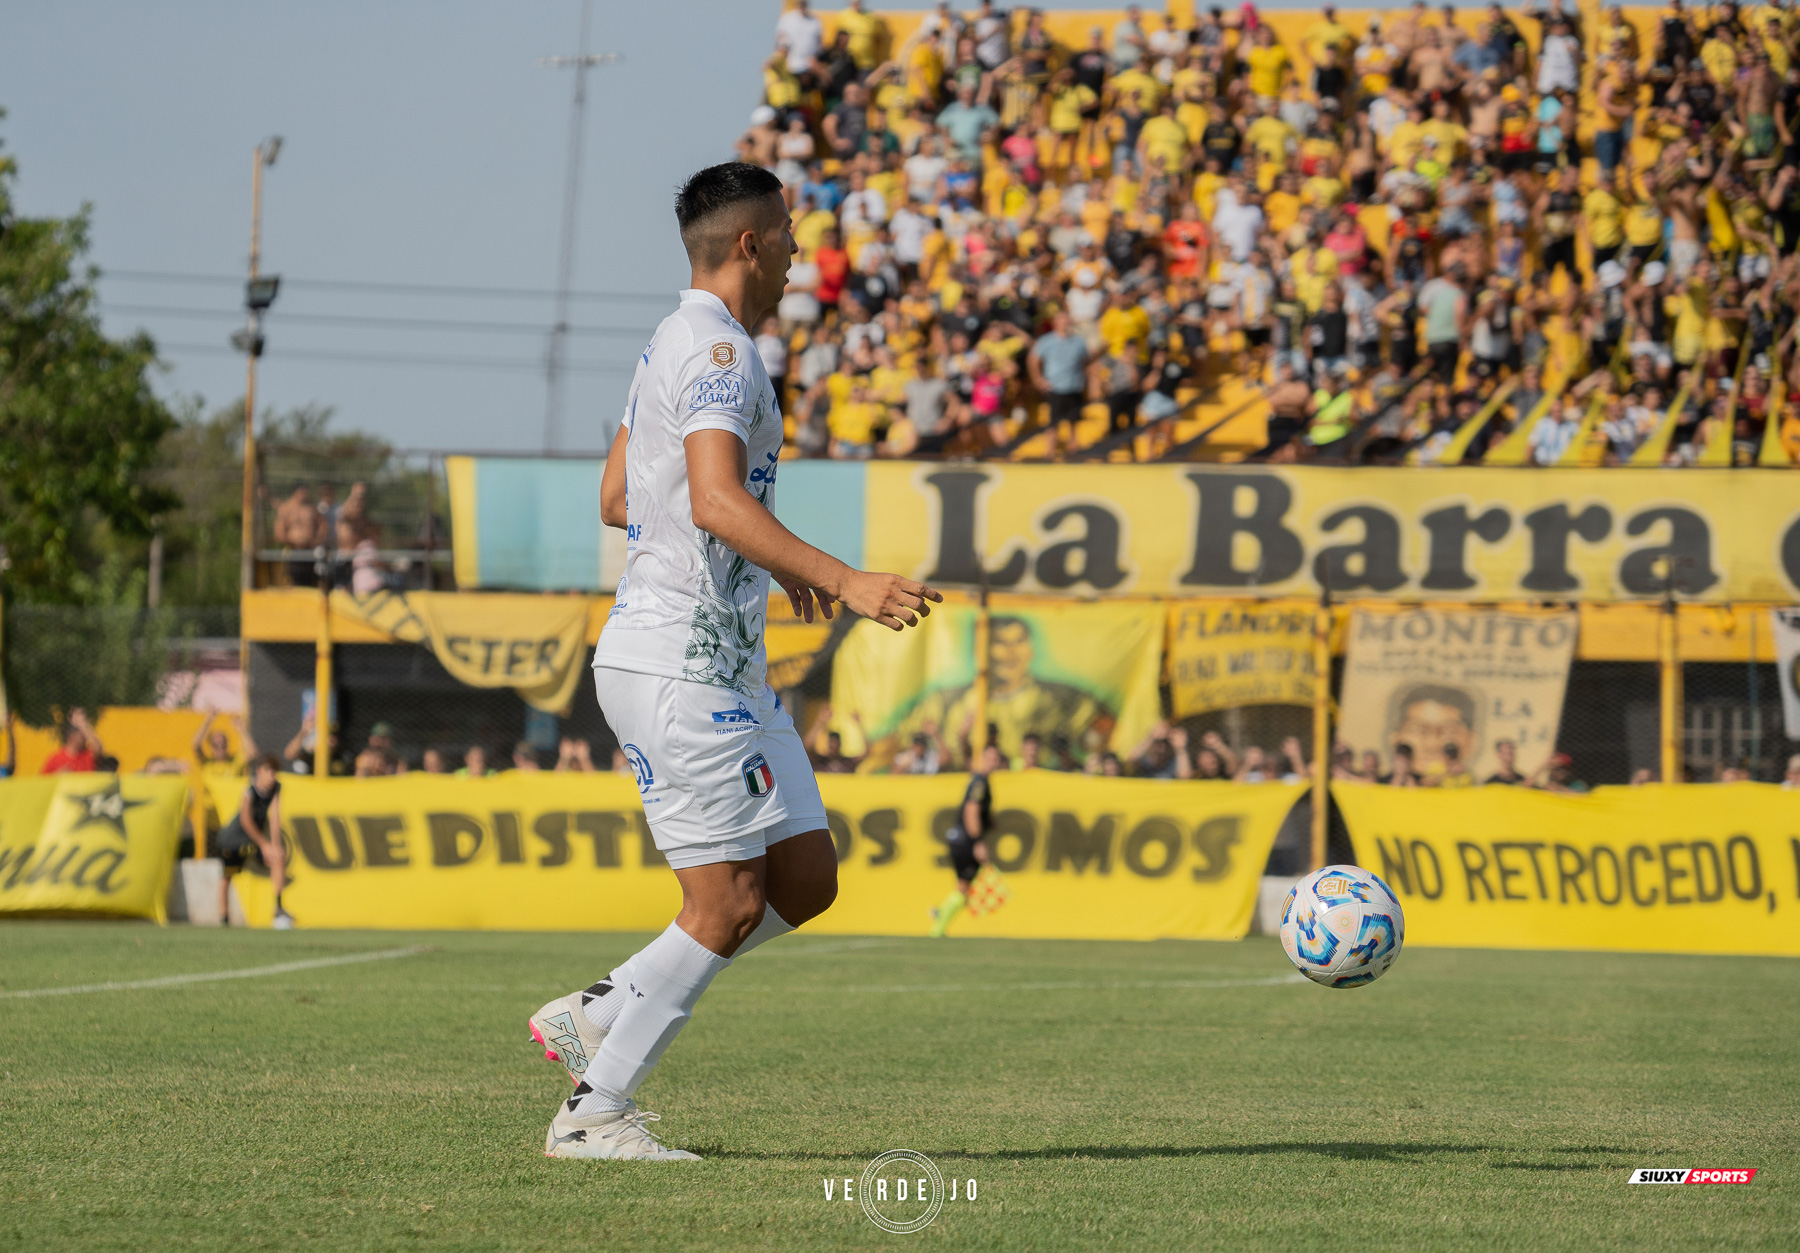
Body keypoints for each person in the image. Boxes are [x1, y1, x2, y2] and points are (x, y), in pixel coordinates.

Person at [529, 162, 941, 1162]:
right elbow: (711, 498)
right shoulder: (721, 350)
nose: (802, 248)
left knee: (806, 875)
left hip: (719, 664)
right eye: (790, 229)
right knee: (727, 903)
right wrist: (838, 576)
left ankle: (604, 1007)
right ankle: (595, 1111)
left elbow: (624, 494)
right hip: (680, 663)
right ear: (749, 243)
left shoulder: (670, 340)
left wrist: (764, 553)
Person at [928, 742, 1004, 938]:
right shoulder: (980, 782)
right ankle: (938, 925)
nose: (994, 762)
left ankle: (940, 916)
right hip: (965, 840)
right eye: (990, 758)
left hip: (960, 839)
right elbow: (971, 810)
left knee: (963, 887)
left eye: (996, 758)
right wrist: (978, 841)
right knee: (963, 887)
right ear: (982, 759)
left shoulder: (981, 781)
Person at [216, 753, 293, 930]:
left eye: (275, 772)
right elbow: (246, 820)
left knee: (278, 857)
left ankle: (279, 908)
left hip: (253, 841)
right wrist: (265, 845)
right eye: (268, 771)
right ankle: (224, 918)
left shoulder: (276, 789)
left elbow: (275, 817)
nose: (272, 776)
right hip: (232, 841)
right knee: (228, 877)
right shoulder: (250, 791)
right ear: (259, 772)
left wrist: (274, 845)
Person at [42, 709, 101, 774]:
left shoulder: (87, 755)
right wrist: (57, 776)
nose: (86, 738)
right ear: (71, 736)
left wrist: (83, 725)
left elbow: (98, 748)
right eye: (82, 735)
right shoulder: (56, 759)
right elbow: (42, 781)